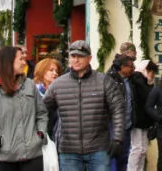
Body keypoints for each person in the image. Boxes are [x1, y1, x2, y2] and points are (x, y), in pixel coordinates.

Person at [44, 40, 125, 171]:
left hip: (99, 149)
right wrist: (43, 135)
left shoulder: (104, 82)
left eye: (80, 56)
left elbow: (118, 110)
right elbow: (42, 110)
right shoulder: (58, 85)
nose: (76, 60)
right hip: (69, 151)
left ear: (90, 58)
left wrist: (118, 139)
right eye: (73, 56)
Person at [0, 46, 48, 171]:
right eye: (20, 59)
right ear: (8, 62)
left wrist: (40, 134)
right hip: (6, 156)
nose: (24, 62)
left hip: (33, 153)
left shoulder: (29, 85)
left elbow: (41, 113)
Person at [107, 55, 136, 171]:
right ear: (123, 67)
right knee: (114, 157)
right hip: (115, 126)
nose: (133, 69)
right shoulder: (110, 80)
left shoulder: (130, 80)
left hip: (127, 125)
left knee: (124, 157)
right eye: (131, 66)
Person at [127, 60, 155, 171]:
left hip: (143, 120)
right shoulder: (137, 78)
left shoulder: (142, 79)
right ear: (146, 69)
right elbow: (147, 95)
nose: (152, 74)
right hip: (137, 119)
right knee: (137, 148)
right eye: (151, 71)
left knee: (142, 149)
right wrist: (150, 83)